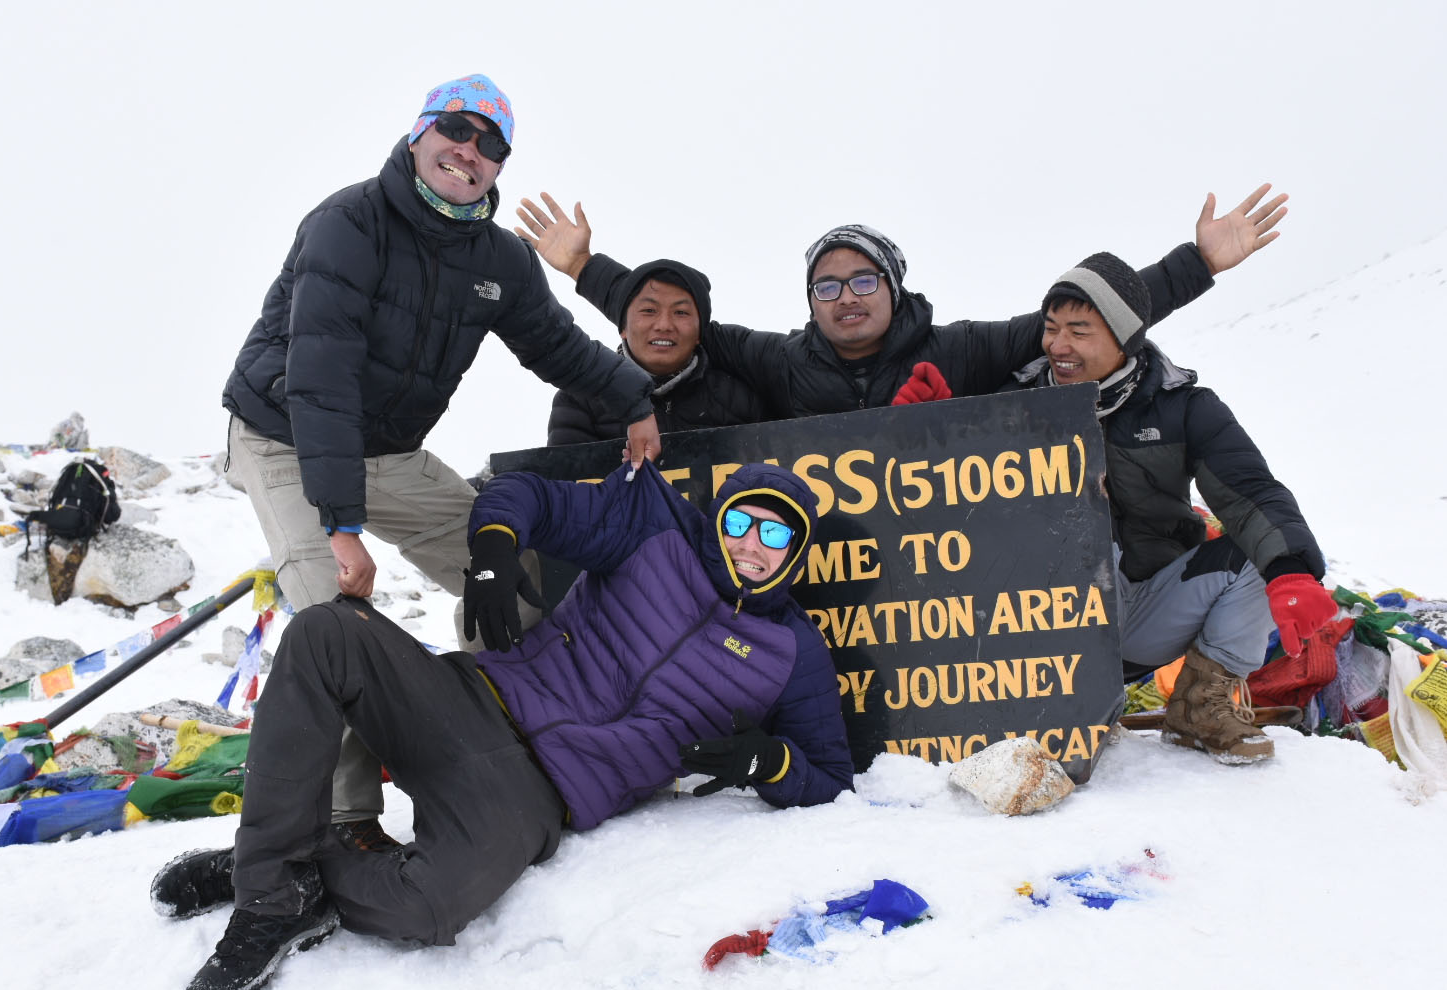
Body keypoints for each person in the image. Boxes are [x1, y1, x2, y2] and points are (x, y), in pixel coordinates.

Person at [151, 461, 855, 990]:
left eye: (776, 534)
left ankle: (290, 868)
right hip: (473, 700)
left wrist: (768, 759)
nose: (751, 545)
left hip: (536, 794)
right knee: (325, 632)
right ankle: (269, 889)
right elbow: (526, 497)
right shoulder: (655, 534)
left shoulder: (791, 653)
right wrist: (493, 552)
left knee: (427, 906)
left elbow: (828, 774)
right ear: (718, 517)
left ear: (796, 552)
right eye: (741, 522)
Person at [220, 75, 661, 851]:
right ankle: (344, 822)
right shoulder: (347, 224)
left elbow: (555, 347)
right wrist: (341, 525)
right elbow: (318, 382)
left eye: (491, 144)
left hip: (387, 450)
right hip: (288, 437)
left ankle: (509, 745)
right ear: (421, 132)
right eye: (456, 129)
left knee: (500, 564)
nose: (469, 151)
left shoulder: (498, 259)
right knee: (335, 618)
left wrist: (633, 398)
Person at [513, 187, 1286, 418]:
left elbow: (1087, 323)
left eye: (861, 280)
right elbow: (677, 320)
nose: (844, 298)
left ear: (893, 286)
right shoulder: (780, 360)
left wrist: (1196, 264)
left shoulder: (958, 348)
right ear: (810, 301)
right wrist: (585, 268)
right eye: (826, 285)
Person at [1008, 252, 1336, 764]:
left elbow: (1252, 492)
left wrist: (1291, 571)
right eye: (1051, 329)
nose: (1058, 346)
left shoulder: (1184, 406)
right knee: (1077, 517)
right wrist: (930, 422)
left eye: (1079, 331)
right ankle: (1054, 701)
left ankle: (1198, 708)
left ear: (1124, 337)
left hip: (1142, 612)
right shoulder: (1011, 406)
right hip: (1036, 628)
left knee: (1258, 555)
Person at [545, 259, 766, 444]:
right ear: (623, 327)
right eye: (649, 311)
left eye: (681, 312)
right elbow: (565, 488)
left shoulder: (739, 397)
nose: (664, 325)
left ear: (700, 332)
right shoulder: (580, 399)